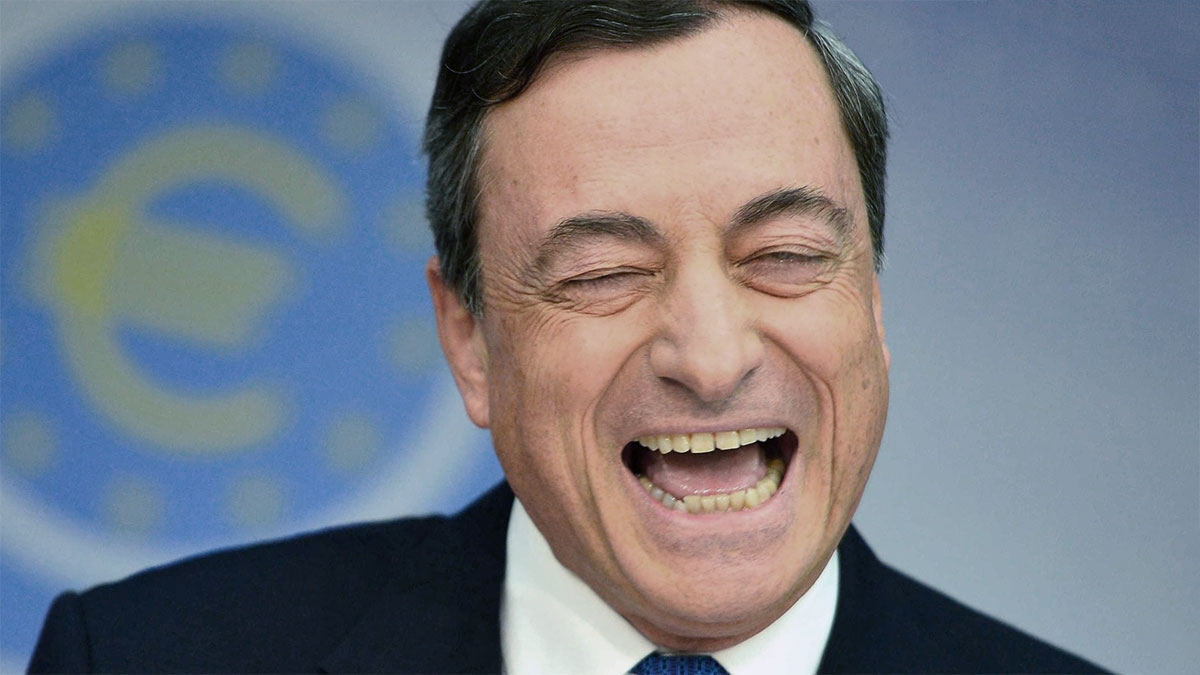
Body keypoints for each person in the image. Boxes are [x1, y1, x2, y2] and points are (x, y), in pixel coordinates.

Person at [28, 1, 1106, 673]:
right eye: (603, 274)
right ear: (470, 340)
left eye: (783, 255)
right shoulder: (139, 659)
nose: (712, 356)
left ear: (869, 302)